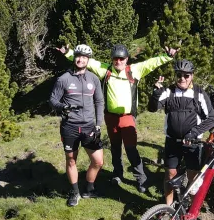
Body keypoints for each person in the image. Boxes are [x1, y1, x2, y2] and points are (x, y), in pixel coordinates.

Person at [58, 43, 176, 192]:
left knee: (131, 149)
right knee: (115, 148)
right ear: (112, 59)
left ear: (126, 59)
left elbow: (151, 63)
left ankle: (141, 179)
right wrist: (68, 53)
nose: (118, 61)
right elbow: (87, 61)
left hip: (127, 118)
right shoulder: (106, 70)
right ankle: (117, 174)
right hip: (110, 118)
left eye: (121, 59)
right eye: (115, 59)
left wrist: (168, 56)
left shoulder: (134, 70)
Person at [151, 59, 214, 205]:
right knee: (170, 174)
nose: (182, 78)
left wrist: (194, 132)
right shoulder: (169, 91)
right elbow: (152, 108)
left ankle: (191, 209)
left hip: (192, 142)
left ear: (192, 76)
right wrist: (156, 94)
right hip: (172, 141)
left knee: (192, 176)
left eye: (186, 75)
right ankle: (168, 207)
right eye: (179, 75)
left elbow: (212, 118)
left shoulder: (199, 93)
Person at [50, 44, 106, 207]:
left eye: (84, 57)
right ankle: (75, 192)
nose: (80, 60)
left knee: (98, 161)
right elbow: (53, 100)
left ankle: (89, 189)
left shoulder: (94, 79)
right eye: (78, 56)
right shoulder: (63, 79)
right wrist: (63, 107)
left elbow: (99, 102)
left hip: (89, 126)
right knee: (71, 160)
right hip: (70, 127)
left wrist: (98, 124)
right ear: (74, 57)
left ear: (88, 60)